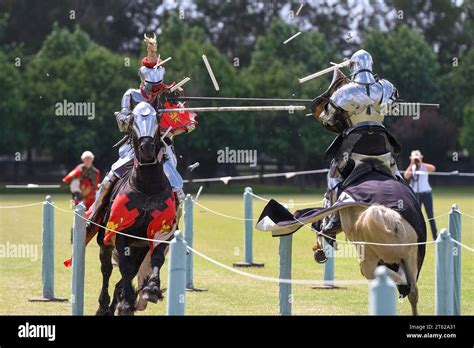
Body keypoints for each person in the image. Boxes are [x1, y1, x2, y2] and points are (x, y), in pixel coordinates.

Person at [85, 34, 197, 235]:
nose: (155, 89)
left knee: (178, 190)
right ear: (143, 81)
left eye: (158, 85)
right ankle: (93, 219)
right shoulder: (131, 95)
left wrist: (173, 122)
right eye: (152, 86)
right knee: (107, 181)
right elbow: (122, 123)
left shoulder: (167, 95)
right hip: (135, 146)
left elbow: (187, 122)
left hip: (162, 148)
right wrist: (134, 118)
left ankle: (174, 229)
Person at [310, 49, 402, 261]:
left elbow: (328, 118)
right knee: (396, 174)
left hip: (356, 144)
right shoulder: (386, 86)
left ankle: (333, 219)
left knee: (334, 174)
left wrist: (332, 97)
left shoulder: (345, 92)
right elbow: (393, 108)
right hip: (382, 143)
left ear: (352, 66)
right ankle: (407, 203)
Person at [403, 150, 437, 239]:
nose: (416, 160)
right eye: (415, 158)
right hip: (415, 194)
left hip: (426, 194)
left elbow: (433, 168)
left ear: (421, 157)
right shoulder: (412, 168)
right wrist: (411, 164)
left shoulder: (424, 167)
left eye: (417, 158)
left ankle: (435, 236)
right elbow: (406, 176)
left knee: (430, 215)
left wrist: (421, 163)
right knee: (416, 215)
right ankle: (418, 236)